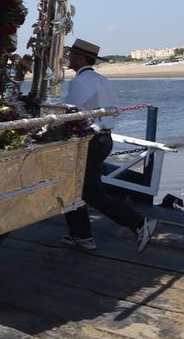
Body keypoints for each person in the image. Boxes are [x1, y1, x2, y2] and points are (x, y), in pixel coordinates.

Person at [59, 38, 156, 254]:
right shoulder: (102, 79)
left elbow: (70, 111)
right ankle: (80, 234)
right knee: (77, 187)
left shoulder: (82, 81)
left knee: (88, 191)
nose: (69, 58)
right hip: (104, 138)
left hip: (91, 140)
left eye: (72, 55)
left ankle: (138, 222)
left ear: (82, 57)